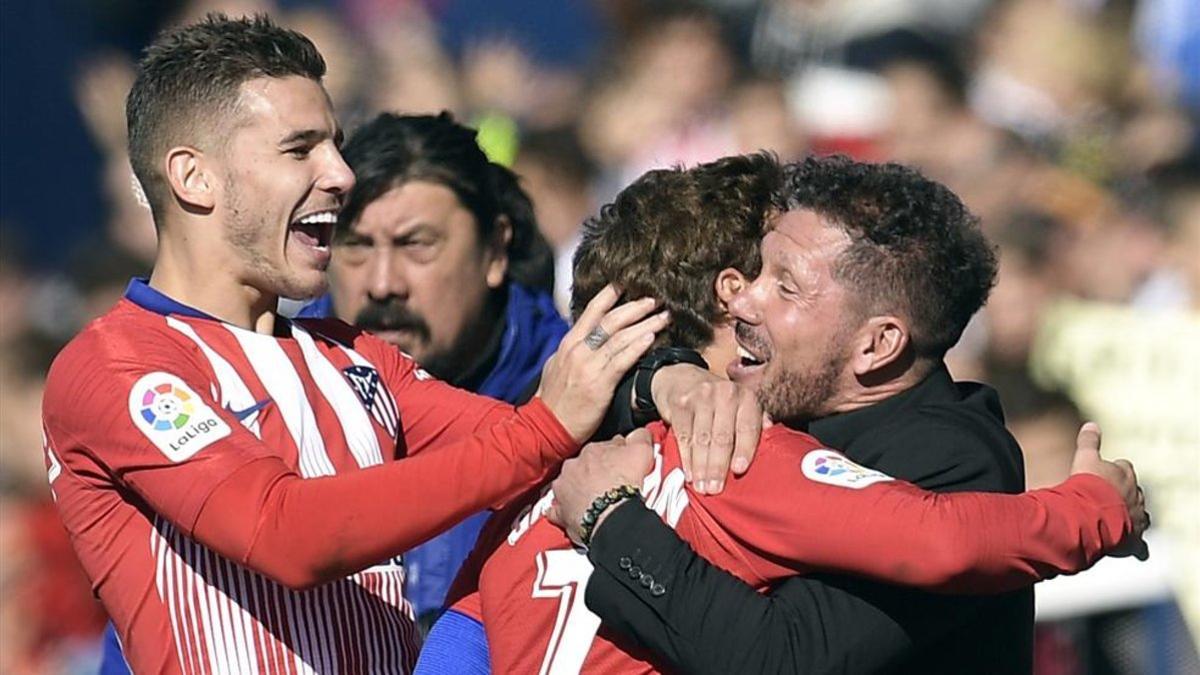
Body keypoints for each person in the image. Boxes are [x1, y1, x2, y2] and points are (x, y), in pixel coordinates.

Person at [42, 15, 668, 674]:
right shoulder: (117, 365)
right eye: (300, 148)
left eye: (335, 145)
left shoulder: (353, 355)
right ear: (195, 178)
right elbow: (284, 533)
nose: (341, 174)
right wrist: (544, 429)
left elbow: (546, 447)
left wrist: (669, 381)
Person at [419, 154, 1147, 673]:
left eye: (786, 286)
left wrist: (610, 517)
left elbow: (783, 656)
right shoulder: (738, 409)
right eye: (756, 271)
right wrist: (666, 381)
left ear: (877, 343)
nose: (740, 300)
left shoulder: (953, 459)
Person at [325, 111, 568, 628]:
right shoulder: (265, 380)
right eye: (357, 245)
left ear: (495, 249)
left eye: (416, 245)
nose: (383, 283)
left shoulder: (581, 403)